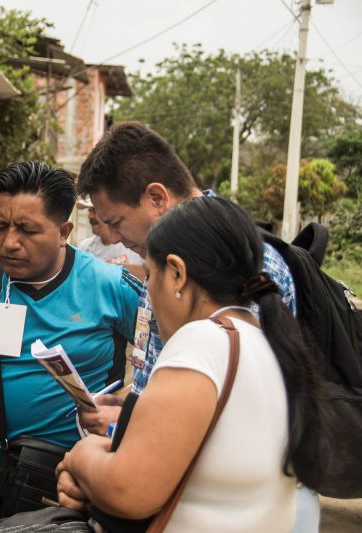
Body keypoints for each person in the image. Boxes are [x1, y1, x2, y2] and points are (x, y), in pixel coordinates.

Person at [74, 121, 320, 530]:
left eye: (116, 222)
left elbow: (228, 426)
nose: (114, 238)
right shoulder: (187, 275)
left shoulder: (213, 320)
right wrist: (131, 405)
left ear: (156, 197)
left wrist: (90, 459)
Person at [0, 162, 141, 531]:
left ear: (64, 232)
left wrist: (131, 409)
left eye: (27, 229)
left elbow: (174, 356)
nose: (9, 242)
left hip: (75, 493)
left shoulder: (111, 285)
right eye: (0, 226)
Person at [75, 197, 143, 279]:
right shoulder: (86, 247)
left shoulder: (132, 241)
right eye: (89, 211)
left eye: (94, 210)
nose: (89, 216)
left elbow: (146, 276)